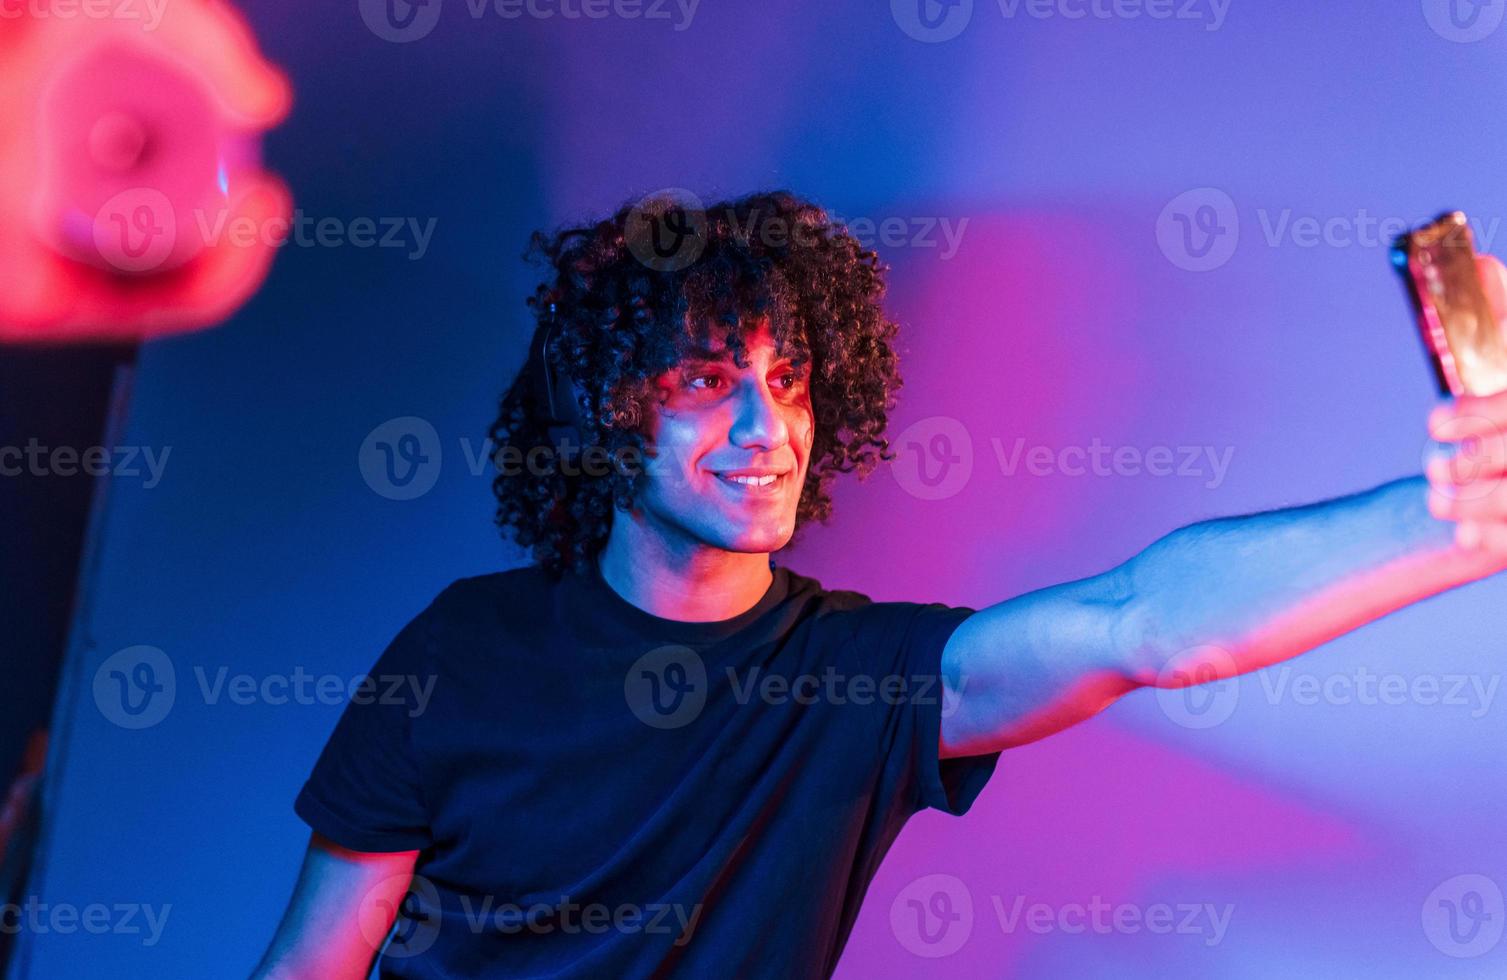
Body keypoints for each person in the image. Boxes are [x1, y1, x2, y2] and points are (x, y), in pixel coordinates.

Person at [251, 191, 1507, 978]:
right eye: (703, 380)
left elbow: (1144, 623)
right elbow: (319, 956)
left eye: (787, 380)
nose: (764, 427)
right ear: (601, 405)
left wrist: (1450, 518)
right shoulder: (464, 645)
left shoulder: (852, 677)